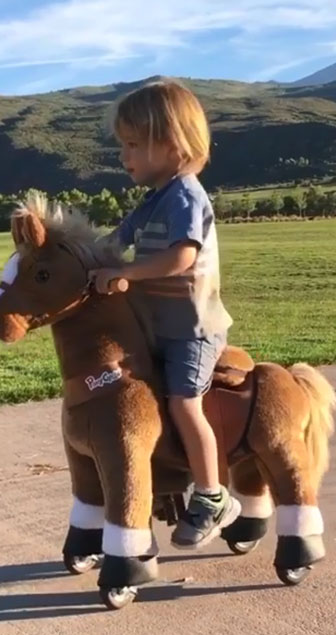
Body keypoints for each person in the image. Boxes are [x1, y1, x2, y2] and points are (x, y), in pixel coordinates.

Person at [90, 80, 241, 549]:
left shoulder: (185, 198)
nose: (124, 156)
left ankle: (213, 496)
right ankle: (164, 486)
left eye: (133, 145)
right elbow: (116, 240)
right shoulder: (155, 196)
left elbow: (180, 258)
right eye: (123, 145)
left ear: (172, 144)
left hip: (191, 330)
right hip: (158, 325)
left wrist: (127, 274)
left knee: (182, 404)